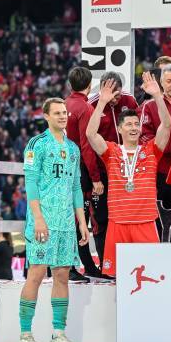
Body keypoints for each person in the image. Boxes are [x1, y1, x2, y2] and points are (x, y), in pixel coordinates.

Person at [18, 97, 90, 342]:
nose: (63, 116)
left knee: (62, 276)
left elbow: (76, 188)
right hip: (43, 222)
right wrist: (38, 217)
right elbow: (31, 184)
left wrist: (82, 223)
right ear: (46, 116)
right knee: (36, 274)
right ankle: (25, 334)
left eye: (65, 113)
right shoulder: (36, 145)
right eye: (57, 113)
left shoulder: (72, 149)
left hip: (66, 225)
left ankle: (58, 334)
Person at [86, 73, 171, 276]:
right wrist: (102, 103)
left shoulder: (151, 150)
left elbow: (166, 125)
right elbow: (90, 134)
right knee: (119, 278)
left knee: (149, 274)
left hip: (145, 223)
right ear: (119, 128)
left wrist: (158, 96)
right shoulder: (111, 151)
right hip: (118, 224)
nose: (134, 128)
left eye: (136, 124)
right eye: (129, 125)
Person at [87, 72, 139, 274]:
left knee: (127, 217)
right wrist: (95, 178)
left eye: (118, 93)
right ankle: (105, 265)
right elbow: (88, 142)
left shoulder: (129, 100)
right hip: (102, 172)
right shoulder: (93, 104)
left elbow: (137, 130)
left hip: (126, 172)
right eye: (112, 94)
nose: (116, 98)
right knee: (101, 219)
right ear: (102, 89)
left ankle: (130, 264)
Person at [64, 67, 105, 280]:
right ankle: (78, 266)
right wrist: (96, 177)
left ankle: (83, 265)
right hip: (79, 171)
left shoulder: (63, 105)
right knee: (83, 216)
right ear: (89, 85)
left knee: (70, 216)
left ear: (70, 85)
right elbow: (86, 146)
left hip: (62, 170)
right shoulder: (85, 108)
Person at [140, 64, 171, 243]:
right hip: (161, 172)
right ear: (161, 82)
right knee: (159, 218)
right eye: (169, 81)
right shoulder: (150, 106)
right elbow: (144, 136)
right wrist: (170, 147)